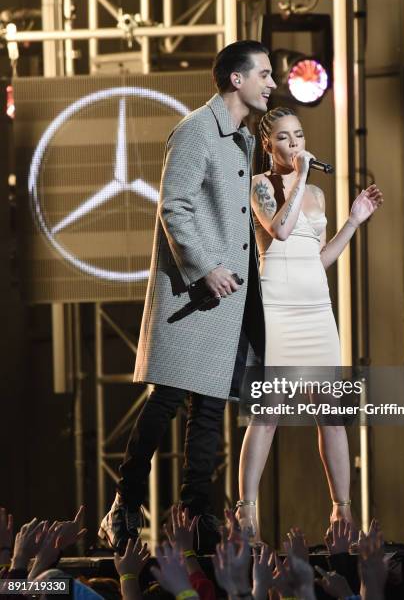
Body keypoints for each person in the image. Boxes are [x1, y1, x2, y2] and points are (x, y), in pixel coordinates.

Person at [98, 40, 277, 554]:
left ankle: (198, 516)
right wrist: (206, 268)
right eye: (263, 74)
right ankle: (125, 505)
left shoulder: (242, 139)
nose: (271, 82)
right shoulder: (197, 129)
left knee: (209, 411)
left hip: (228, 300)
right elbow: (173, 207)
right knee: (169, 400)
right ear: (236, 80)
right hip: (193, 295)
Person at [236, 106, 383, 541]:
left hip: (316, 305)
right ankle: (247, 511)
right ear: (269, 145)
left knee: (330, 415)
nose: (296, 143)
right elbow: (279, 231)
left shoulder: (317, 195)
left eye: (298, 135)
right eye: (285, 137)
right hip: (277, 302)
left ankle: (343, 510)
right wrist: (297, 179)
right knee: (269, 414)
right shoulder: (260, 186)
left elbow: (319, 259)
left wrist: (353, 222)